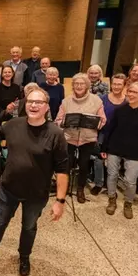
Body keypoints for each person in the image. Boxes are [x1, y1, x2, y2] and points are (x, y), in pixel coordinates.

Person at [0, 88, 69, 276]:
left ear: (46, 107)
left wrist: (60, 201)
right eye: (30, 102)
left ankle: (24, 257)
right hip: (9, 189)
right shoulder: (14, 124)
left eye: (38, 102)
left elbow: (62, 170)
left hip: (36, 193)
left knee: (29, 227)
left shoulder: (55, 134)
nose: (33, 105)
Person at [100, 82, 138, 219]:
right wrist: (104, 147)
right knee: (111, 175)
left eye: (134, 92)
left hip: (135, 151)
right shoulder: (120, 110)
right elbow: (110, 130)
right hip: (115, 147)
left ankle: (128, 203)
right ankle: (112, 199)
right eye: (129, 91)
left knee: (130, 181)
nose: (130, 94)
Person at [55, 73, 106, 202]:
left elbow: (103, 120)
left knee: (84, 165)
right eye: (76, 84)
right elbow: (58, 119)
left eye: (82, 84)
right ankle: (64, 188)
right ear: (73, 86)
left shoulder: (96, 100)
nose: (79, 86)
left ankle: (80, 189)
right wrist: (63, 122)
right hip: (69, 137)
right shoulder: (66, 101)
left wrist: (97, 124)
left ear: (87, 85)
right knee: (66, 164)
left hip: (87, 139)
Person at [95, 74, 127, 196]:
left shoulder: (127, 101)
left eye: (119, 84)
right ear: (111, 85)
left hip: (118, 135)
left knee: (115, 160)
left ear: (124, 86)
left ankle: (111, 185)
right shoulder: (102, 98)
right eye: (114, 84)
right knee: (99, 158)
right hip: (103, 132)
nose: (116, 86)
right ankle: (99, 183)